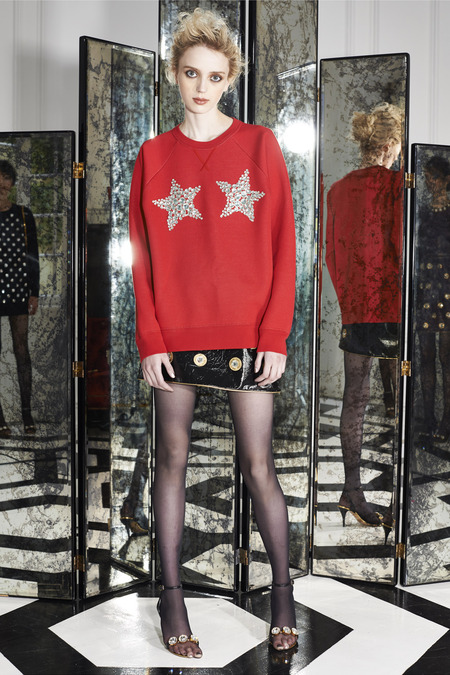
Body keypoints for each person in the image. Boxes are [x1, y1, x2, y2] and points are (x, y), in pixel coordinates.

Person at [129, 7, 297, 659]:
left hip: (250, 334)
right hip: (175, 336)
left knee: (259, 465)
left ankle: (281, 596)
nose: (203, 87)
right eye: (192, 73)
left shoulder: (260, 146)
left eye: (216, 76)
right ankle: (172, 599)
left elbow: (284, 245)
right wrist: (150, 339)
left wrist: (275, 333)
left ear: (231, 79)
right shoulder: (153, 155)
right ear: (175, 74)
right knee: (171, 461)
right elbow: (141, 256)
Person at [325, 102, 404, 532]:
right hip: (392, 307)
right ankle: (402, 496)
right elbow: (400, 248)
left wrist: (349, 302)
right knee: (399, 401)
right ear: (391, 144)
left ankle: (352, 490)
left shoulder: (338, 190)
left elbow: (331, 255)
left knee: (355, 398)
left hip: (356, 309)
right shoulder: (397, 186)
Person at [0, 160, 39, 436]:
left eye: (6, 179)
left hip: (18, 290)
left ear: (12, 183)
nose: (2, 184)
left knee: (21, 350)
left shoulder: (24, 215)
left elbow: (33, 256)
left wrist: (34, 292)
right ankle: (0, 419)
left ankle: (27, 414)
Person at [416, 155, 450, 442]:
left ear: (447, 180)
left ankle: (447, 421)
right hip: (426, 286)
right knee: (425, 356)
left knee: (446, 357)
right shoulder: (423, 210)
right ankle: (428, 419)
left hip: (448, 287)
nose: (430, 182)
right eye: (427, 177)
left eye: (434, 177)